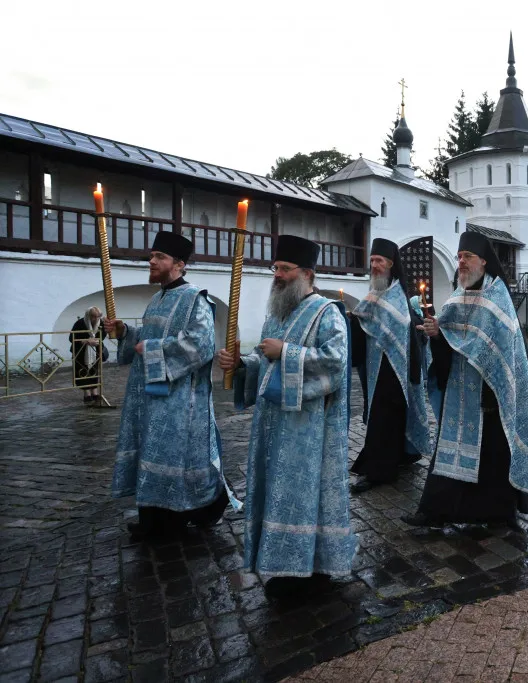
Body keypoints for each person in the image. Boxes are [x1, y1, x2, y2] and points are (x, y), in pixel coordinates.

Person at [218, 234, 355, 596]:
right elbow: (264, 363)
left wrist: (287, 353)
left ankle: (307, 571)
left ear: (307, 273)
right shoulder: (276, 314)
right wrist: (242, 364)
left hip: (306, 430)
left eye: (285, 269)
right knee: (274, 491)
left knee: (302, 496)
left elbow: (335, 364)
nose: (277, 275)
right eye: (275, 268)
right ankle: (278, 563)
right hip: (272, 424)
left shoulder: (327, 312)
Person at [405, 232, 528, 528]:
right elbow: (447, 344)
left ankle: (497, 515)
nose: (462, 262)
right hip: (459, 393)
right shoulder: (457, 297)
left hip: (490, 393)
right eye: (459, 257)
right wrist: (437, 334)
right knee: (449, 453)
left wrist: (451, 338)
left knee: (493, 456)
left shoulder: (498, 298)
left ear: (484, 261)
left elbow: (502, 348)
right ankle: (433, 512)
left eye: (467, 257)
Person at [103, 232, 233, 539]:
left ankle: (179, 518)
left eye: (159, 257)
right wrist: (126, 332)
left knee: (175, 459)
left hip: (181, 401)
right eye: (151, 256)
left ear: (179, 264)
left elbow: (200, 345)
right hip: (151, 397)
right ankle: (154, 519)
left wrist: (150, 349)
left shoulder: (195, 299)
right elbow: (147, 338)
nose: (151, 261)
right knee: (153, 455)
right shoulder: (157, 298)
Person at [348, 238, 431, 493]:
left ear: (391, 264)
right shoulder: (375, 294)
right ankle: (397, 457)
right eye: (372, 260)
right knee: (380, 418)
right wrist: (352, 320)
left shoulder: (396, 296)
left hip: (395, 370)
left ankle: (380, 472)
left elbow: (404, 331)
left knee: (386, 420)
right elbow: (365, 322)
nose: (374, 265)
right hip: (376, 368)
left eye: (379, 261)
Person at [70, 306, 107, 405]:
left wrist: (96, 340)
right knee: (82, 371)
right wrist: (85, 341)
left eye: (98, 316)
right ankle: (86, 393)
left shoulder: (100, 323)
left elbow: (103, 335)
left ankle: (95, 391)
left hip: (95, 351)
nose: (96, 319)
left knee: (93, 370)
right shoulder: (80, 323)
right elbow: (71, 338)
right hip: (80, 352)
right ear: (88, 316)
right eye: (93, 316)